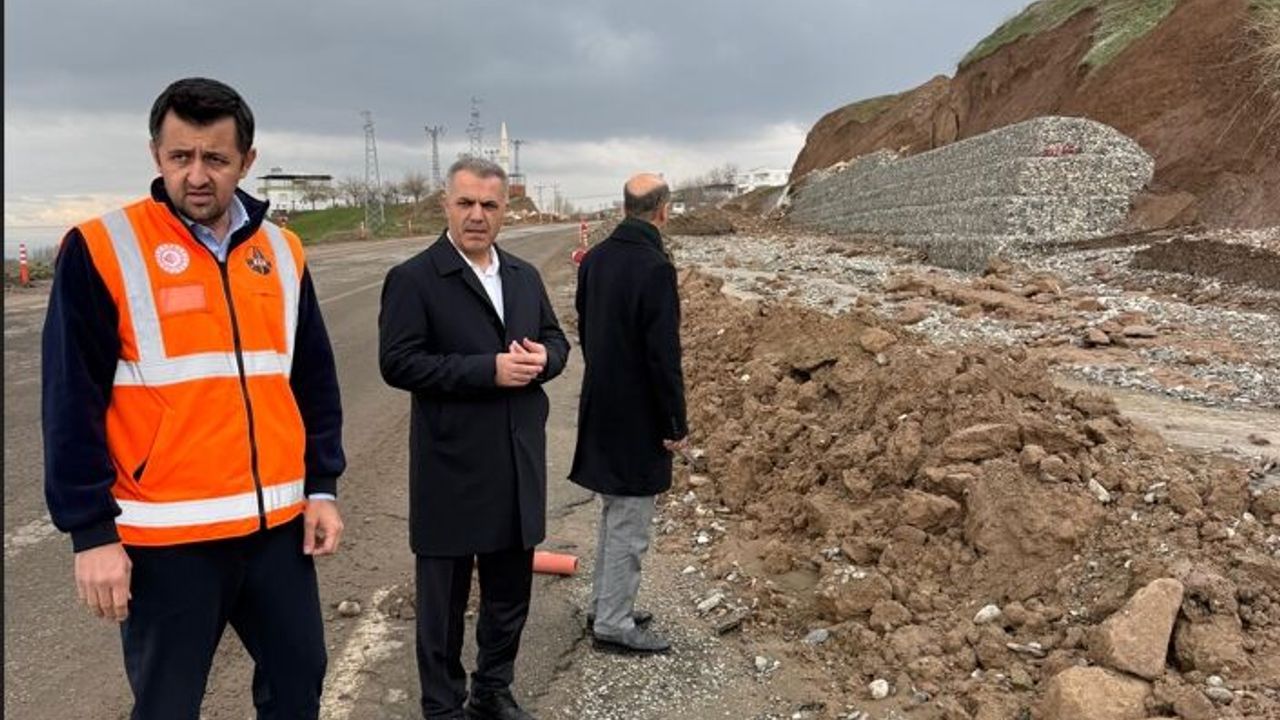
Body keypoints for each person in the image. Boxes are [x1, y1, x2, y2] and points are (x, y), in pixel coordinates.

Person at [41, 77, 346, 719]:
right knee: (168, 705)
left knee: (299, 684)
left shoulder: (282, 251)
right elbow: (70, 402)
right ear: (156, 154)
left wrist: (321, 486)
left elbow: (312, 380)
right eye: (180, 157)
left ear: (247, 161)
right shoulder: (102, 248)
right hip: (167, 540)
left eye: (216, 158)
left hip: (275, 531)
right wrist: (91, 534)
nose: (197, 175)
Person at [379, 157, 569, 720]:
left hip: (516, 458)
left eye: (489, 204)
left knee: (510, 592)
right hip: (452, 464)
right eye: (465, 203)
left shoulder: (523, 276)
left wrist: (545, 358)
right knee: (444, 602)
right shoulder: (415, 278)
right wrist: (487, 370)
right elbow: (399, 362)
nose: (477, 215)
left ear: (506, 209)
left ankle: (492, 690)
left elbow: (558, 340)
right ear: (446, 205)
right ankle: (442, 706)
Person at [569, 173, 688, 654]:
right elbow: (664, 356)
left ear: (624, 208)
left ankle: (605, 605)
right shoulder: (654, 267)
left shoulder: (595, 259)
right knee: (630, 521)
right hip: (638, 416)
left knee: (613, 512)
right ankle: (614, 623)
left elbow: (584, 326)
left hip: (601, 404)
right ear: (663, 210)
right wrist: (674, 423)